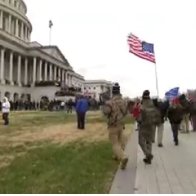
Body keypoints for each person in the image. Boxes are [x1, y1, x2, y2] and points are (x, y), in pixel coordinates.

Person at [102, 83, 128, 170]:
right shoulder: (124, 101)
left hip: (113, 125)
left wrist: (104, 104)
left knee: (115, 143)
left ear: (113, 92)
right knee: (121, 141)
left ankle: (123, 157)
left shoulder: (110, 102)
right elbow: (125, 112)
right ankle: (118, 156)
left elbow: (106, 112)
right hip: (121, 124)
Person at [139, 90, 161, 164]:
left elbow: (139, 117)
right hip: (152, 125)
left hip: (143, 126)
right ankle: (148, 159)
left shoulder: (141, 105)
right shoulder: (152, 103)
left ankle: (148, 155)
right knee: (149, 142)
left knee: (141, 142)